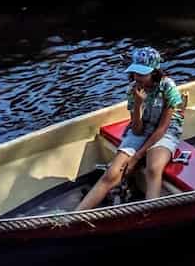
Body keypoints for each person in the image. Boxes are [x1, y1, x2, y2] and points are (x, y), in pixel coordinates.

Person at [78, 47, 183, 209]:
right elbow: (137, 130)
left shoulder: (168, 86)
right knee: (112, 173)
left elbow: (162, 128)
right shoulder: (133, 90)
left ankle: (151, 213)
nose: (137, 77)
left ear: (154, 72)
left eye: (142, 73)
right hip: (143, 128)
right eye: (135, 73)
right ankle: (76, 215)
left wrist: (136, 157)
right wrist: (138, 104)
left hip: (165, 131)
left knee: (153, 169)